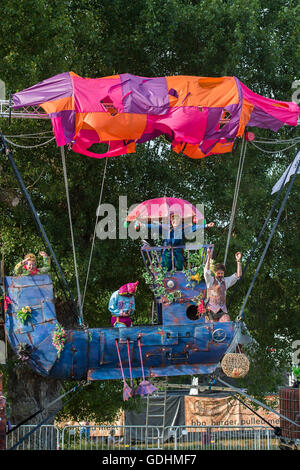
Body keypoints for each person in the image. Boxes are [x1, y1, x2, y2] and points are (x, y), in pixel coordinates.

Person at [138, 213, 214, 271]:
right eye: (174, 220)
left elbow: (194, 227)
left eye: (177, 220)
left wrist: (206, 225)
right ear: (172, 222)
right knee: (165, 268)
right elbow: (154, 226)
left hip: (177, 253)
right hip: (167, 253)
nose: (175, 222)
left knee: (179, 268)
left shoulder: (182, 229)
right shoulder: (166, 229)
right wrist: (142, 225)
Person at [204, 248, 242, 322]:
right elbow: (206, 271)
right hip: (211, 309)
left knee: (226, 320)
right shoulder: (210, 280)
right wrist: (208, 257)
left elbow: (238, 275)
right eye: (218, 273)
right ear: (215, 273)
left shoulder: (226, 281)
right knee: (211, 326)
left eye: (222, 273)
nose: (220, 275)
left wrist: (238, 261)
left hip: (222, 310)